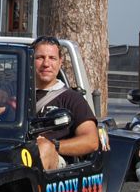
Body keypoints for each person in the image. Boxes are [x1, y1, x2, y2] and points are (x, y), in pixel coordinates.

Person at [31, 36, 103, 171]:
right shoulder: (17, 94)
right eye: (40, 57)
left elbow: (91, 141)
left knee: (43, 148)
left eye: (52, 58)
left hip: (55, 166)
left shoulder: (72, 99)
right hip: (16, 157)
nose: (46, 64)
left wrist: (54, 145)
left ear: (60, 63)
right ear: (30, 60)